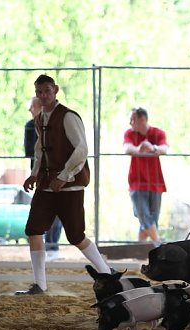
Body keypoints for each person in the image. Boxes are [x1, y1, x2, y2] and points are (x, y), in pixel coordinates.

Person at [17, 74, 111, 296]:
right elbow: (40, 150)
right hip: (47, 185)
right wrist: (34, 174)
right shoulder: (39, 119)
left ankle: (107, 273)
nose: (43, 95)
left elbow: (81, 149)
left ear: (55, 90)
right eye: (39, 92)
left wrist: (65, 175)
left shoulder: (68, 117)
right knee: (33, 229)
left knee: (76, 235)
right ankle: (40, 284)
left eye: (47, 91)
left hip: (71, 186)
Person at [24, 96, 63, 260]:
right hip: (41, 174)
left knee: (58, 210)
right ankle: (47, 246)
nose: (30, 110)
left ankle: (53, 245)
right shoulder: (31, 125)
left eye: (32, 106)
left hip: (56, 173)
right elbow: (30, 151)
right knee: (44, 211)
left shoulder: (56, 124)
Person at [123, 107, 168, 245]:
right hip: (137, 181)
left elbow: (164, 148)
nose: (130, 123)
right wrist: (138, 149)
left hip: (155, 182)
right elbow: (126, 148)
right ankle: (158, 244)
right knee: (143, 215)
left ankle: (140, 249)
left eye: (133, 119)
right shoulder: (130, 133)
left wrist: (153, 148)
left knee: (151, 220)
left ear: (142, 119)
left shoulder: (157, 133)